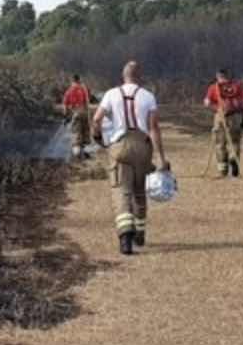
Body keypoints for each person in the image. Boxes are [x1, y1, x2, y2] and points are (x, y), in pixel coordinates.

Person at [92, 61, 170, 255]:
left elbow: (96, 119)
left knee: (122, 192)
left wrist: (98, 137)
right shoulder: (148, 96)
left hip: (120, 146)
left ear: (123, 76)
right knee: (139, 190)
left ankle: (125, 238)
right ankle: (140, 233)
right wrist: (161, 157)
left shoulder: (111, 94)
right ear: (139, 77)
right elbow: (154, 128)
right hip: (143, 146)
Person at [202, 68, 243, 177]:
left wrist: (216, 107)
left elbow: (207, 102)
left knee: (220, 143)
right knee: (235, 141)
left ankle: (223, 169)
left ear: (218, 76)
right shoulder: (237, 86)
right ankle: (233, 158)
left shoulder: (213, 88)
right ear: (227, 75)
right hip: (235, 117)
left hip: (220, 116)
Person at [62, 74, 92, 160]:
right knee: (84, 133)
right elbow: (87, 102)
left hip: (76, 113)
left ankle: (77, 155)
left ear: (72, 80)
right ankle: (84, 153)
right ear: (78, 80)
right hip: (84, 112)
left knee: (76, 134)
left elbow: (65, 105)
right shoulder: (83, 89)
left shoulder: (69, 91)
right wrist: (88, 114)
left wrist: (65, 116)